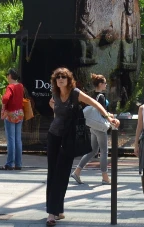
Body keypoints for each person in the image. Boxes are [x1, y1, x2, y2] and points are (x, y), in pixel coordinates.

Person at [45, 67, 119, 227]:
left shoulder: (75, 93)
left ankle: (54, 211)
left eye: (63, 77)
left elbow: (94, 103)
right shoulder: (55, 93)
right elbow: (57, 114)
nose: (60, 80)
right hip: (54, 136)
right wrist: (54, 108)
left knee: (62, 173)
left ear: (68, 79)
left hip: (69, 137)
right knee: (53, 172)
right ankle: (55, 211)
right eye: (57, 77)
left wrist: (108, 117)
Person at [72, 74, 111, 185]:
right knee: (104, 151)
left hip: (92, 125)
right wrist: (111, 117)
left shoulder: (92, 95)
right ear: (100, 84)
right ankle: (105, 177)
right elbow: (102, 112)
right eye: (104, 83)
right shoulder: (101, 97)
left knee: (93, 150)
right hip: (99, 126)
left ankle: (77, 171)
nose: (106, 84)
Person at [1, 69, 25, 171]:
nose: (7, 77)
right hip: (19, 113)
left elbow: (5, 98)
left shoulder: (10, 87)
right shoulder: (20, 86)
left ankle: (10, 164)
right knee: (18, 139)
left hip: (10, 114)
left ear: (10, 76)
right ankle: (18, 164)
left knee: (11, 140)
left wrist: (3, 106)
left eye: (7, 75)